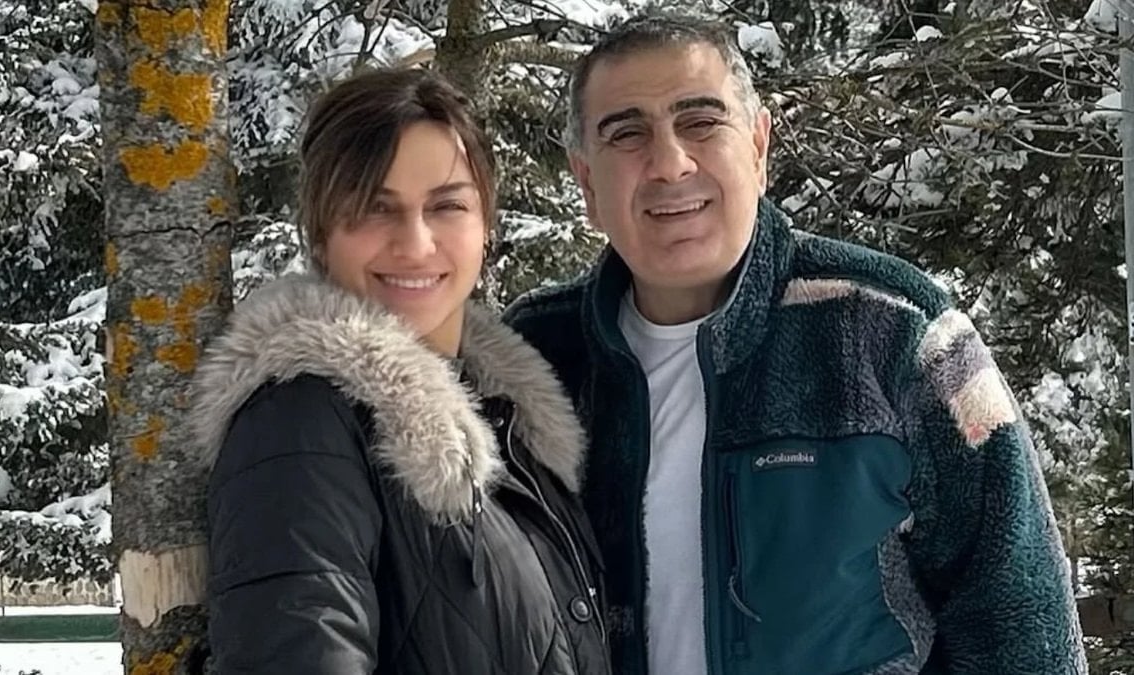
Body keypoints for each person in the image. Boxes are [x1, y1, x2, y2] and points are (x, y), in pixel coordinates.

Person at [504, 14, 1086, 675]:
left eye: (701, 121)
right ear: (586, 182)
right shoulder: (535, 356)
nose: (669, 163)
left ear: (758, 146)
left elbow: (1019, 611)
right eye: (627, 133)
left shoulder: (898, 328)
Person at [192, 68, 609, 674]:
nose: (414, 244)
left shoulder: (509, 423)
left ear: (486, 226)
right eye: (373, 209)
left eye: (447, 206)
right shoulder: (299, 423)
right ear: (320, 235)